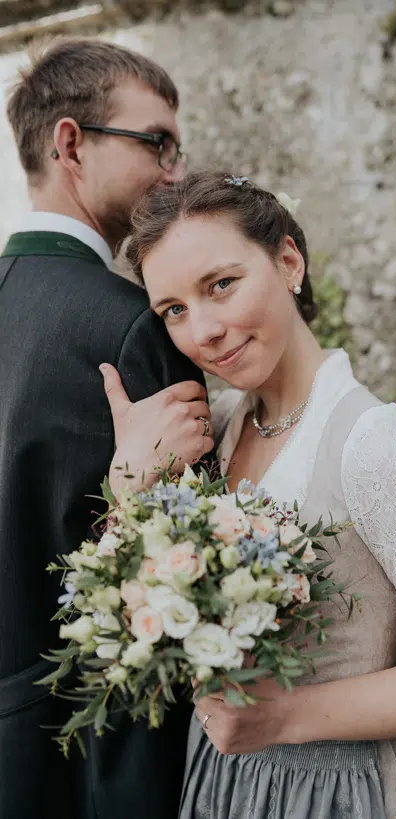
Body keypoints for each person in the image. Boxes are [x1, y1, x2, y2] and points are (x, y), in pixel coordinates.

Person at [101, 171, 396, 819]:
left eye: (221, 284)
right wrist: (131, 479)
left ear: (288, 260)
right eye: (174, 309)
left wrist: (283, 717)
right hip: (217, 777)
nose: (202, 329)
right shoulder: (223, 421)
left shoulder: (377, 444)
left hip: (330, 795)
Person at [0, 39, 214, 819]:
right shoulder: (132, 327)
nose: (176, 171)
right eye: (156, 141)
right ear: (69, 144)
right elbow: (195, 577)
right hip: (92, 759)